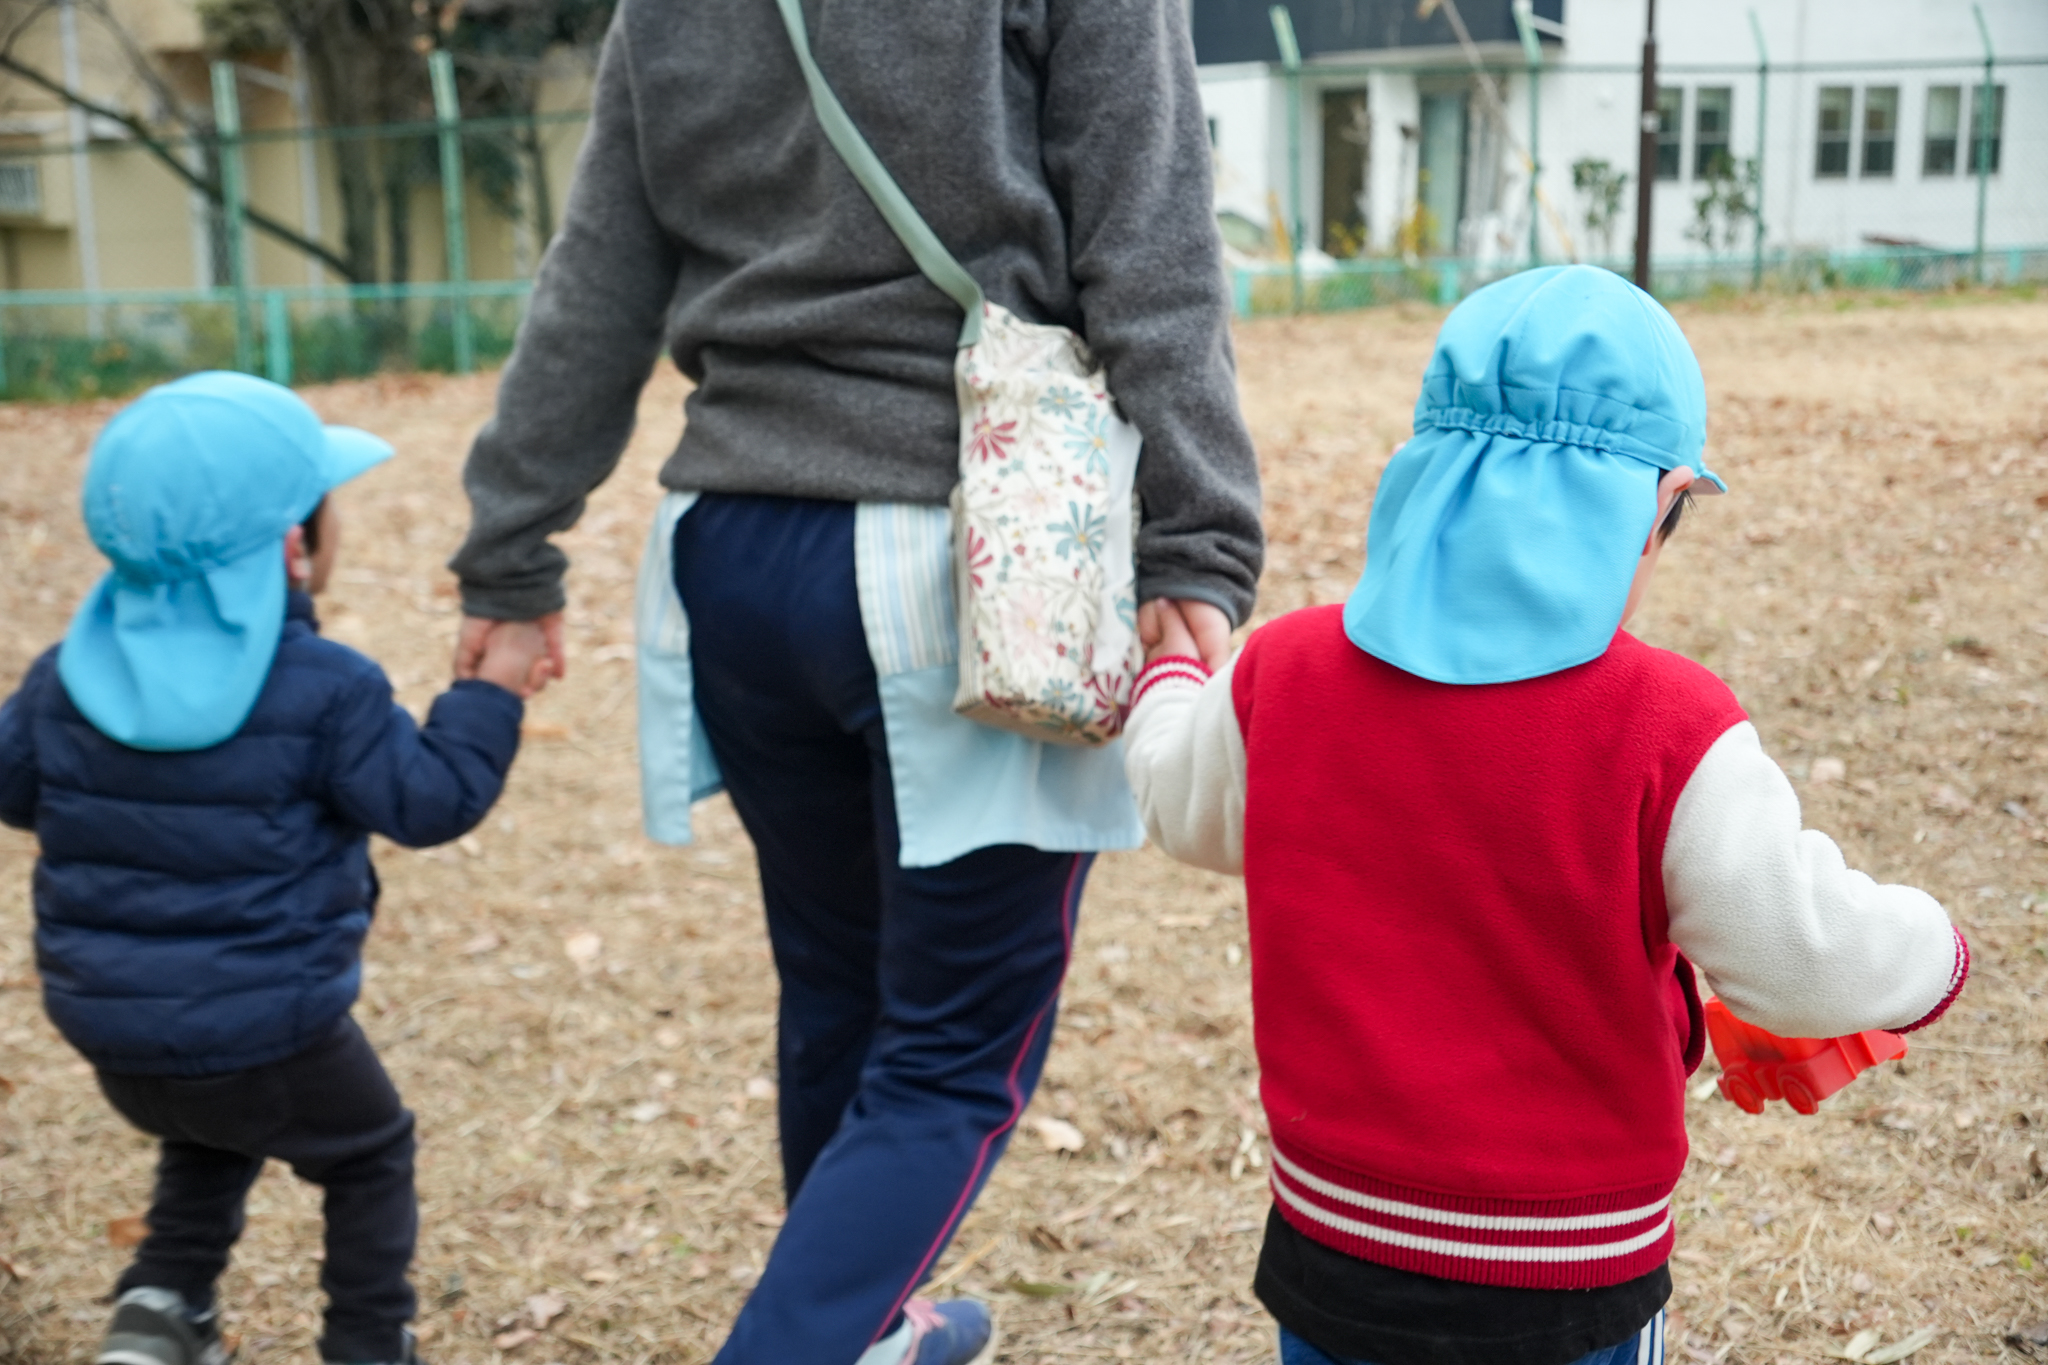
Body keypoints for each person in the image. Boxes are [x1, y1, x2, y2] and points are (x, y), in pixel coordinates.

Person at [447, 2, 1262, 1361]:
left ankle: (872, 1326)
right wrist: (1201, 536)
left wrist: (510, 553)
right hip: (965, 553)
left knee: (841, 985)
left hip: (733, 548)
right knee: (954, 1050)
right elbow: (1152, 235)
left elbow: (598, 274)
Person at [1122, 266, 1968, 1365]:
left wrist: (1170, 681)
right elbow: (1803, 958)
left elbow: (1176, 805)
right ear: (1654, 507)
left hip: (1330, 1250)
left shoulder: (1281, 675)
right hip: (1559, 1275)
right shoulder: (1668, 727)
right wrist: (1935, 947)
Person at [0, 373, 548, 1365]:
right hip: (271, 1024)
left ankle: (162, 1306)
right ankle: (367, 1342)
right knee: (367, 1153)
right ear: (295, 549)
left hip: (111, 1028)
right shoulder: (327, 690)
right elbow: (429, 803)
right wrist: (491, 692)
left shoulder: (60, 682)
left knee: (213, 1120)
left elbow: (16, 790)